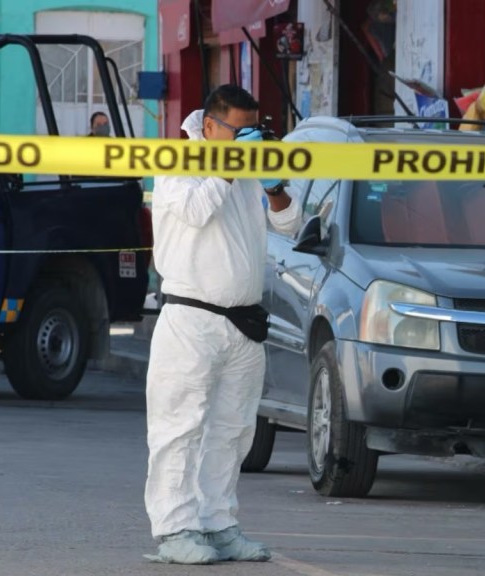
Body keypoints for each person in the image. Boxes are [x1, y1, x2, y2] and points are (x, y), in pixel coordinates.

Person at [143, 84, 301, 565]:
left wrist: (273, 186)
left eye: (255, 129)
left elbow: (289, 225)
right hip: (191, 320)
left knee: (232, 431)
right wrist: (232, 166)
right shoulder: (177, 161)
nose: (248, 139)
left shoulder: (247, 169)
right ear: (210, 126)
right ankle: (175, 530)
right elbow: (196, 211)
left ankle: (218, 524)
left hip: (243, 322)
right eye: (240, 130)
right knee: (179, 428)